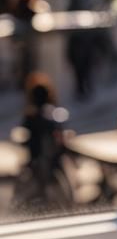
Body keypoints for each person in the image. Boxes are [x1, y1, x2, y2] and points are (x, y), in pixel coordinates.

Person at [13, 72, 74, 212]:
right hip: (48, 160)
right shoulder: (52, 114)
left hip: (43, 160)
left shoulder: (35, 116)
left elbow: (25, 135)